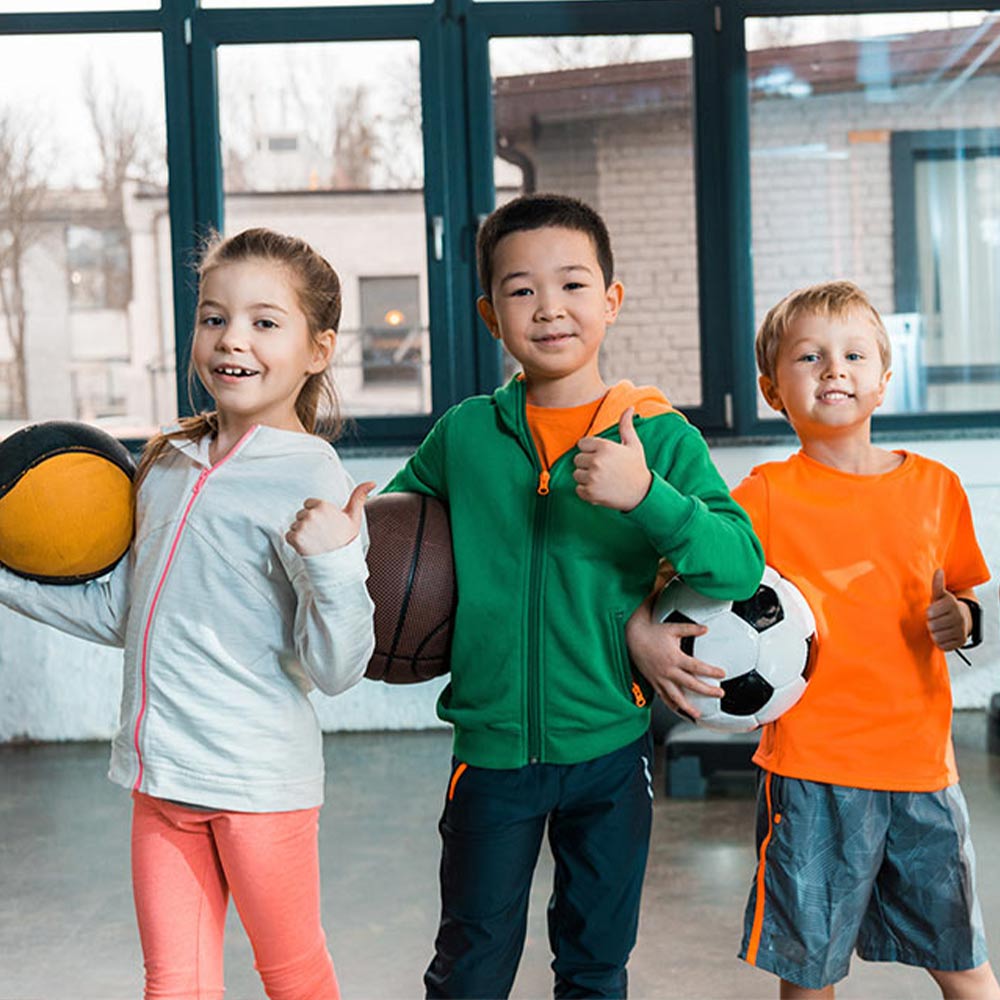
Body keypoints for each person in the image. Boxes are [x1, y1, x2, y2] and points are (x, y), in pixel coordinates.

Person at [384, 192, 764, 998]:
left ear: (611, 300)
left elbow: (737, 565)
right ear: (490, 316)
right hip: (491, 751)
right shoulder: (464, 435)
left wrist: (647, 497)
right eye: (521, 289)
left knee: (595, 965)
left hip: (611, 750)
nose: (549, 308)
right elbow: (392, 541)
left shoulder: (658, 438)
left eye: (572, 284)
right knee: (468, 968)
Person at [0, 228, 376, 1000]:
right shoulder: (169, 461)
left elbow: (338, 668)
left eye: (264, 322)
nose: (232, 339)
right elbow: (125, 610)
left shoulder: (313, 481)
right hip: (161, 779)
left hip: (257, 786)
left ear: (318, 350)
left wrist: (336, 562)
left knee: (294, 977)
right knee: (173, 985)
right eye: (214, 317)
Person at [629, 279, 999, 999]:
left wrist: (963, 618)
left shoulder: (938, 488)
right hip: (810, 772)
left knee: (963, 961)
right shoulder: (762, 496)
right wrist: (646, 626)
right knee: (808, 971)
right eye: (810, 356)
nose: (835, 369)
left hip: (921, 768)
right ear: (772, 389)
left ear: (883, 379)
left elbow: (965, 597)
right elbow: (686, 577)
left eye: (854, 354)